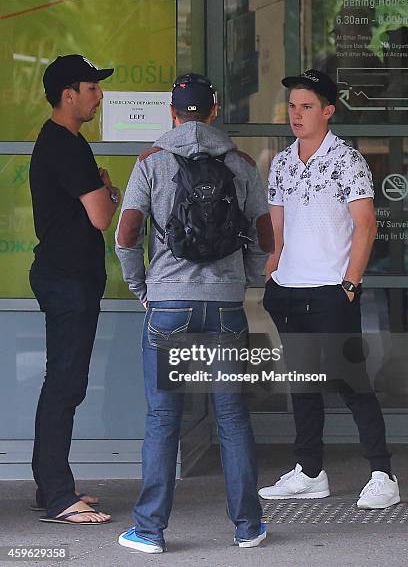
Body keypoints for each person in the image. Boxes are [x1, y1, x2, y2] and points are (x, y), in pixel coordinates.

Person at [115, 73, 274, 553]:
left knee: (164, 419)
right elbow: (265, 237)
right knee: (232, 417)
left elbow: (126, 234)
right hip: (225, 306)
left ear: (171, 111)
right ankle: (248, 527)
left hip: (168, 306)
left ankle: (149, 531)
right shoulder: (242, 164)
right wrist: (245, 279)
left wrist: (141, 286)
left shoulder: (152, 162)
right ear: (213, 109)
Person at [259, 70, 400, 510]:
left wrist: (350, 284)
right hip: (288, 288)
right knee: (302, 384)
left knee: (350, 380)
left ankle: (383, 474)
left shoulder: (347, 160)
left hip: (331, 290)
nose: (295, 114)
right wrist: (272, 273)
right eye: (292, 106)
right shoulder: (281, 162)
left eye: (306, 107)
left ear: (328, 111)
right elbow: (277, 231)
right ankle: (310, 472)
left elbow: (366, 225)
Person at [29, 54, 120, 524]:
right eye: (91, 88)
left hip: (67, 276)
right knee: (65, 384)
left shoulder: (63, 143)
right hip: (67, 279)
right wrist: (105, 189)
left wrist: (103, 189)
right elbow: (102, 216)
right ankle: (60, 496)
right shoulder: (65, 146)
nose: (98, 95)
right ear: (69, 94)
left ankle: (51, 486)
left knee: (63, 383)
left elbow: (94, 207)